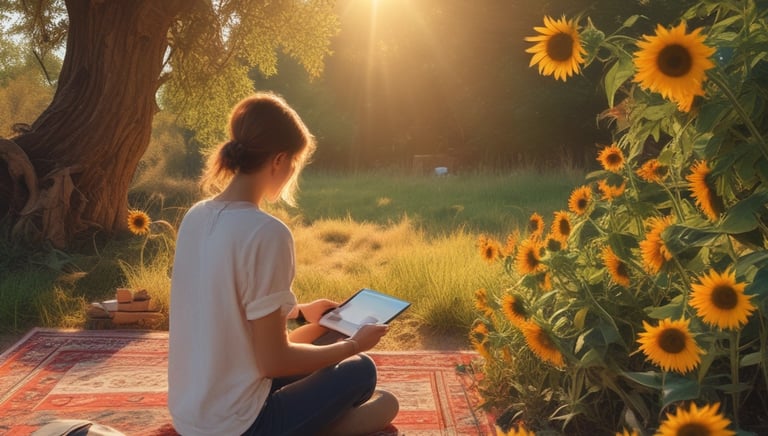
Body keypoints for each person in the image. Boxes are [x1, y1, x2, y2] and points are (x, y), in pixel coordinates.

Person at [167, 92, 399, 436]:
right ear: (278, 160)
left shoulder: (196, 216)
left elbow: (219, 300)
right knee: (364, 374)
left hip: (190, 415)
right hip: (239, 425)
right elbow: (273, 362)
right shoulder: (267, 232)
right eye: (295, 163)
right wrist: (355, 345)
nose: (293, 173)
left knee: (323, 332)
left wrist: (302, 311)